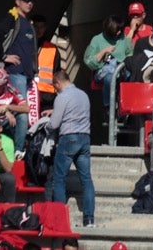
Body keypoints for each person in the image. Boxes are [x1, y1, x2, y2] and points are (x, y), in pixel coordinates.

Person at [45, 69, 95, 227]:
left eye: (55, 86)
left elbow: (54, 124)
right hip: (85, 137)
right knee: (86, 180)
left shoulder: (62, 97)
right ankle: (89, 219)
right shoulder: (83, 95)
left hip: (68, 138)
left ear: (58, 83)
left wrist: (45, 125)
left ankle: (60, 219)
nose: (55, 90)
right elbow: (74, 112)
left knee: (59, 179)